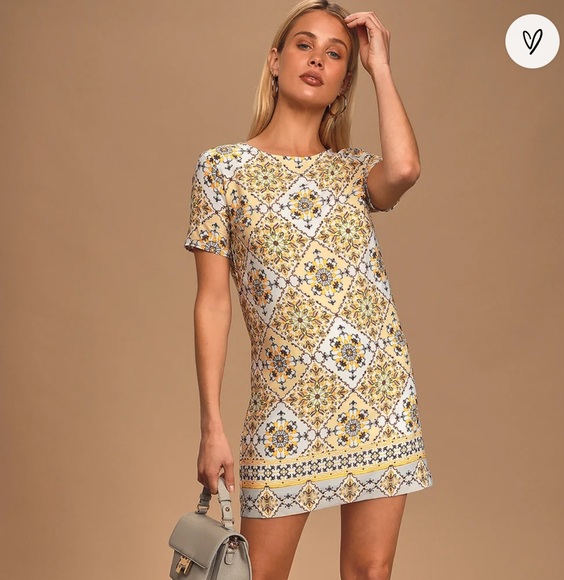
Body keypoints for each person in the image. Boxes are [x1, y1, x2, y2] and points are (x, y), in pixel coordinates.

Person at [184, 1, 433, 578]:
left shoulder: (352, 171)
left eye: (335, 53)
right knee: (261, 574)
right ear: (275, 60)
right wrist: (211, 425)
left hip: (377, 397)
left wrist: (380, 67)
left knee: (370, 573)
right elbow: (213, 303)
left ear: (344, 82)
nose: (317, 59)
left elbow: (404, 170)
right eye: (304, 45)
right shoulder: (222, 169)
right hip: (284, 405)